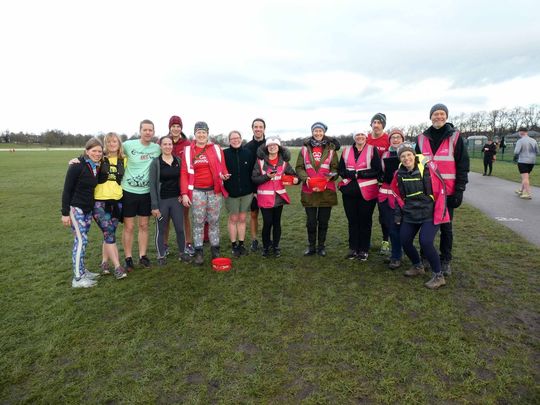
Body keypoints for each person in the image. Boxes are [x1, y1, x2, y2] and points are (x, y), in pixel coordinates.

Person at [415, 103, 469, 276]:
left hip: (448, 193)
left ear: (446, 117)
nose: (438, 117)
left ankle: (445, 260)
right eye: (435, 114)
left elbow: (463, 165)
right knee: (425, 226)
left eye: (442, 114)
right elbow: (416, 165)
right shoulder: (421, 138)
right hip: (427, 192)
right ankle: (424, 258)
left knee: (446, 228)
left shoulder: (455, 137)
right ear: (430, 117)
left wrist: (459, 189)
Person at [391, 143, 450, 289]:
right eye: (403, 156)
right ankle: (418, 266)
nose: (406, 158)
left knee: (426, 242)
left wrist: (441, 212)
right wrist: (398, 216)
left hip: (429, 213)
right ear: (400, 159)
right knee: (404, 240)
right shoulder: (398, 174)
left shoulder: (429, 168)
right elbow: (397, 196)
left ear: (414, 155)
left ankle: (438, 276)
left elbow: (441, 190)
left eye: (409, 155)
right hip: (410, 213)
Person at [181, 121, 229, 265]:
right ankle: (199, 252)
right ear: (195, 134)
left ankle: (215, 249)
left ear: (208, 133)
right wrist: (184, 193)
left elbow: (223, 167)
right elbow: (184, 172)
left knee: (214, 221)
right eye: (198, 132)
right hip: (197, 192)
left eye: (204, 132)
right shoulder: (188, 150)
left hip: (214, 191)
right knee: (198, 222)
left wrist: (224, 175)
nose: (201, 135)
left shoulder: (216, 148)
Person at [61, 138, 103, 288]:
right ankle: (77, 278)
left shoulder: (95, 166)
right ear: (87, 151)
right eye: (94, 151)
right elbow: (67, 190)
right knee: (81, 241)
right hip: (75, 208)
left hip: (87, 209)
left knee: (83, 241)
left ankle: (82, 271)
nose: (97, 153)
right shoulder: (76, 166)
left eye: (99, 151)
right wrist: (65, 213)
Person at [121, 120, 161, 271]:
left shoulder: (157, 148)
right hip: (129, 191)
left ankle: (143, 256)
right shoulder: (128, 145)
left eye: (150, 130)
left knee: (144, 225)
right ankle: (128, 258)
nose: (148, 132)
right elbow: (108, 150)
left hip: (146, 193)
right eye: (145, 130)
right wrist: (80, 158)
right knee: (129, 227)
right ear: (140, 131)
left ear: (153, 132)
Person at [295, 122, 338, 257]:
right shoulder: (304, 149)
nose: (318, 133)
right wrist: (305, 178)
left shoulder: (331, 149)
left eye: (320, 131)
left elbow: (335, 168)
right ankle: (311, 246)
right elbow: (299, 167)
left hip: (327, 191)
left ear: (324, 132)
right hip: (309, 190)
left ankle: (321, 247)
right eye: (315, 131)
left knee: (324, 221)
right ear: (312, 132)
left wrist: (331, 176)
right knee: (311, 222)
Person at [338, 130, 381, 261]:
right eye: (357, 135)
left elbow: (377, 170)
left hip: (367, 191)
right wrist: (349, 174)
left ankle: (364, 249)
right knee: (352, 220)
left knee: (365, 221)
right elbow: (341, 170)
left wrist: (361, 174)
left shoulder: (372, 150)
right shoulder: (346, 151)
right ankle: (353, 248)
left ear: (366, 137)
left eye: (362, 135)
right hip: (350, 191)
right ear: (354, 137)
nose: (360, 137)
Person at [252, 137, 298, 257]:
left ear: (279, 148)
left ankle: (276, 246)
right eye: (270, 145)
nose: (272, 147)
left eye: (275, 145)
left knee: (277, 223)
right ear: (267, 148)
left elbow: (293, 175)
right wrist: (267, 176)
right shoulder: (260, 162)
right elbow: (254, 179)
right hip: (265, 198)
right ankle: (266, 247)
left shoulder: (284, 162)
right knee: (267, 223)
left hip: (279, 197)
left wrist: (296, 180)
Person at [149, 136, 191, 265]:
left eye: (170, 144)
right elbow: (152, 185)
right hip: (162, 201)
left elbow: (183, 178)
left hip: (176, 201)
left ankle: (182, 253)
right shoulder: (156, 163)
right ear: (160, 146)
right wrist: (155, 206)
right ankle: (161, 256)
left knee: (179, 228)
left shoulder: (178, 160)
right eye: (165, 144)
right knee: (161, 229)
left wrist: (182, 193)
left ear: (172, 146)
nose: (168, 146)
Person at [93, 132, 128, 280]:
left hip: (117, 202)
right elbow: (85, 160)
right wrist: (75, 160)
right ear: (105, 144)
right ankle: (118, 267)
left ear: (119, 144)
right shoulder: (100, 158)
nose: (112, 144)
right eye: (109, 142)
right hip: (100, 202)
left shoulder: (124, 160)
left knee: (109, 232)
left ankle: (104, 263)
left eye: (115, 141)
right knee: (109, 232)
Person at [165, 115, 195, 256]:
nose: (176, 129)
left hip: (183, 185)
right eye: (173, 126)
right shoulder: (163, 142)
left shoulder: (187, 144)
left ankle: (188, 243)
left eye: (178, 126)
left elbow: (191, 165)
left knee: (184, 217)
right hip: (166, 186)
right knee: (165, 218)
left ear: (181, 128)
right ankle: (164, 245)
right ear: (169, 128)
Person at [223, 130, 255, 257]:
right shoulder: (224, 154)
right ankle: (234, 245)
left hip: (247, 193)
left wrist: (254, 190)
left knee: (242, 218)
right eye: (232, 139)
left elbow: (253, 172)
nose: (235, 140)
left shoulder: (248, 153)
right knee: (233, 218)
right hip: (231, 193)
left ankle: (241, 244)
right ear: (229, 140)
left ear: (241, 139)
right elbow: (220, 171)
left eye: (237, 138)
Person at [378, 128, 405, 269]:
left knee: (399, 226)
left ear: (402, 139)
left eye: (398, 137)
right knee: (390, 226)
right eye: (393, 137)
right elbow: (381, 172)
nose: (395, 139)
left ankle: (397, 255)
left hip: (402, 196)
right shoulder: (385, 154)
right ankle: (396, 254)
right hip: (385, 194)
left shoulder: (409, 153)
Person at [367, 113, 391, 255]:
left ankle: (385, 242)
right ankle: (366, 240)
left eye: (379, 122)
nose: (376, 125)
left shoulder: (388, 139)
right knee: (366, 214)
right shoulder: (366, 138)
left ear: (383, 125)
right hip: (368, 182)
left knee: (384, 216)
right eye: (374, 122)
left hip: (385, 184)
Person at [245, 118, 266, 252]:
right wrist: (252, 190)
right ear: (252, 128)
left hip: (268, 186)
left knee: (269, 216)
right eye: (255, 127)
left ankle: (267, 240)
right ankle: (254, 240)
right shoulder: (247, 147)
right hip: (253, 187)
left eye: (260, 127)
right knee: (253, 214)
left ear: (264, 128)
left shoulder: (271, 144)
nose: (258, 129)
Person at [514, 127, 538, 200]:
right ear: (526, 132)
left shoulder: (520, 141)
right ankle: (521, 190)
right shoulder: (534, 140)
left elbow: (516, 152)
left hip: (523, 161)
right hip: (532, 161)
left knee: (525, 178)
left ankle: (528, 193)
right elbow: (537, 151)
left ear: (521, 132)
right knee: (526, 177)